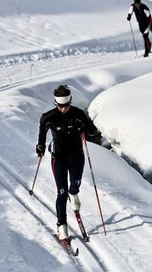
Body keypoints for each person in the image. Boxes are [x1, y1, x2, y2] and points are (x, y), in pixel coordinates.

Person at [36, 85, 100, 241]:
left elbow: (93, 131)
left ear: (70, 101)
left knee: (74, 185)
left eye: (66, 105)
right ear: (55, 103)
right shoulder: (48, 117)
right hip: (58, 158)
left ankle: (74, 192)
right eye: (60, 106)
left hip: (77, 157)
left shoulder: (79, 114)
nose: (63, 109)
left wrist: (86, 127)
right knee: (61, 192)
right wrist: (40, 146)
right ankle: (61, 227)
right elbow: (41, 135)